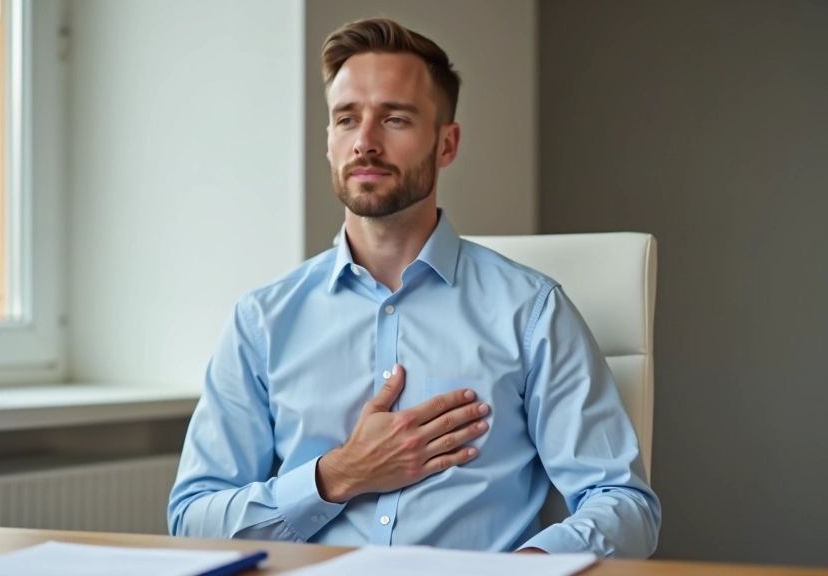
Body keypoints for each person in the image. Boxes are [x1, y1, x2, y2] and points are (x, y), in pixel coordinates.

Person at [168, 17, 661, 557]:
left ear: (446, 144)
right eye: (346, 119)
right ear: (329, 142)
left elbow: (622, 502)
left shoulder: (532, 311)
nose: (365, 142)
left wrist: (526, 572)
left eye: (395, 119)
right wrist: (336, 476)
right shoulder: (261, 321)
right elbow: (193, 519)